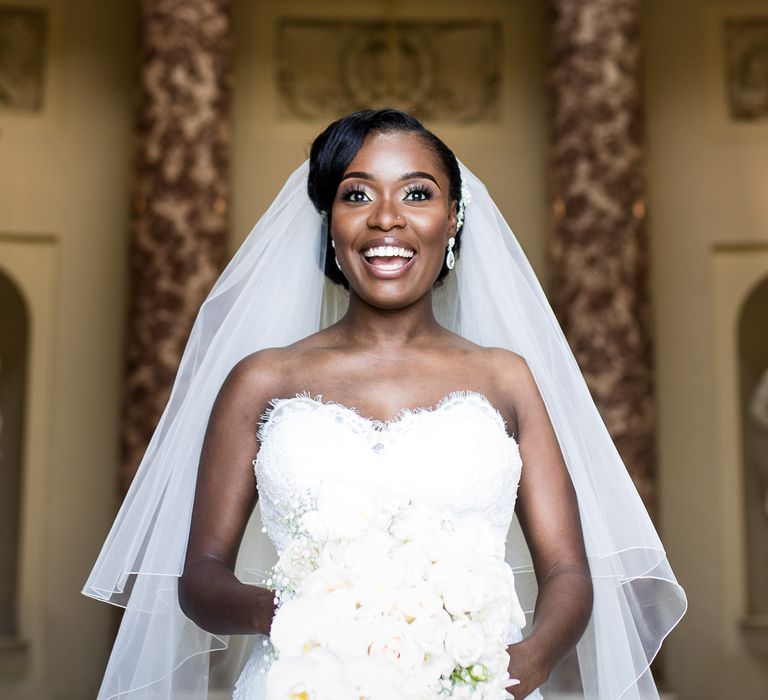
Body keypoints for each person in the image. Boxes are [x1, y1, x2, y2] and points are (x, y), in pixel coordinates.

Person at [84, 110, 686, 700]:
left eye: (417, 194)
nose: (387, 219)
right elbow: (201, 579)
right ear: (330, 222)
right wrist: (303, 615)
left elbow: (568, 572)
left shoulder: (507, 378)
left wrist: (530, 660)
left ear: (452, 220)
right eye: (357, 195)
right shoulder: (262, 380)